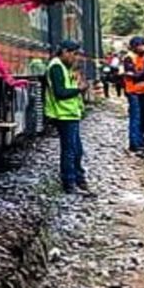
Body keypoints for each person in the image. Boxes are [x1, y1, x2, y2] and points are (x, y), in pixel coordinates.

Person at [45, 39, 93, 194]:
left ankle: (78, 179)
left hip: (70, 114)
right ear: (65, 51)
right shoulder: (56, 67)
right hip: (63, 115)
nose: (76, 57)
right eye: (74, 53)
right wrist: (79, 89)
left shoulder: (65, 67)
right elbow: (60, 93)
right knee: (70, 150)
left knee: (76, 150)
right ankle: (69, 182)